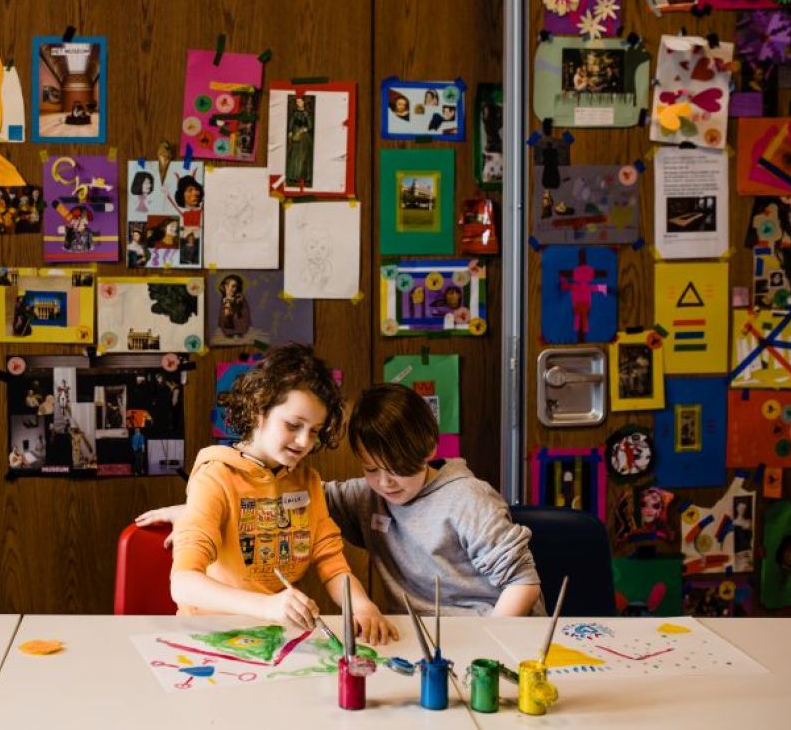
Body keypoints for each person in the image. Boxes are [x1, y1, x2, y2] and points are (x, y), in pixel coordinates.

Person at [141, 382, 542, 617]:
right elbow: (297, 500)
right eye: (371, 469)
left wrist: (489, 642)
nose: (386, 483)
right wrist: (200, 508)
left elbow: (523, 582)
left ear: (428, 448)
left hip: (492, 629)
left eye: (399, 467)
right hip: (421, 638)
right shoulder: (368, 496)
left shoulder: (468, 499)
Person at [164, 343, 396, 644]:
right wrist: (267, 606)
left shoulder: (307, 482)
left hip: (275, 635)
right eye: (293, 425)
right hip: (210, 634)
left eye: (314, 431)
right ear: (258, 411)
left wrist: (361, 605)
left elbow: (331, 562)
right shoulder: (216, 477)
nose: (304, 442)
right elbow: (183, 585)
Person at [285, 95, 314, 187]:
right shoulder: (294, 114)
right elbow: (291, 124)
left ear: (303, 102)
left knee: (303, 156)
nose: (298, 103)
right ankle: (293, 176)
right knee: (294, 156)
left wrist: (303, 130)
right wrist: (290, 132)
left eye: (300, 102)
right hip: (295, 135)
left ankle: (305, 177)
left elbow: (310, 126)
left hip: (304, 137)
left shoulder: (306, 114)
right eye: (297, 102)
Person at [217, 273, 252, 338]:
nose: (232, 289)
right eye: (229, 285)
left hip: (240, 329)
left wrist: (236, 304)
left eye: (235, 286)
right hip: (227, 331)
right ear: (225, 286)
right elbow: (222, 319)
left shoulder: (240, 298)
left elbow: (244, 317)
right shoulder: (224, 299)